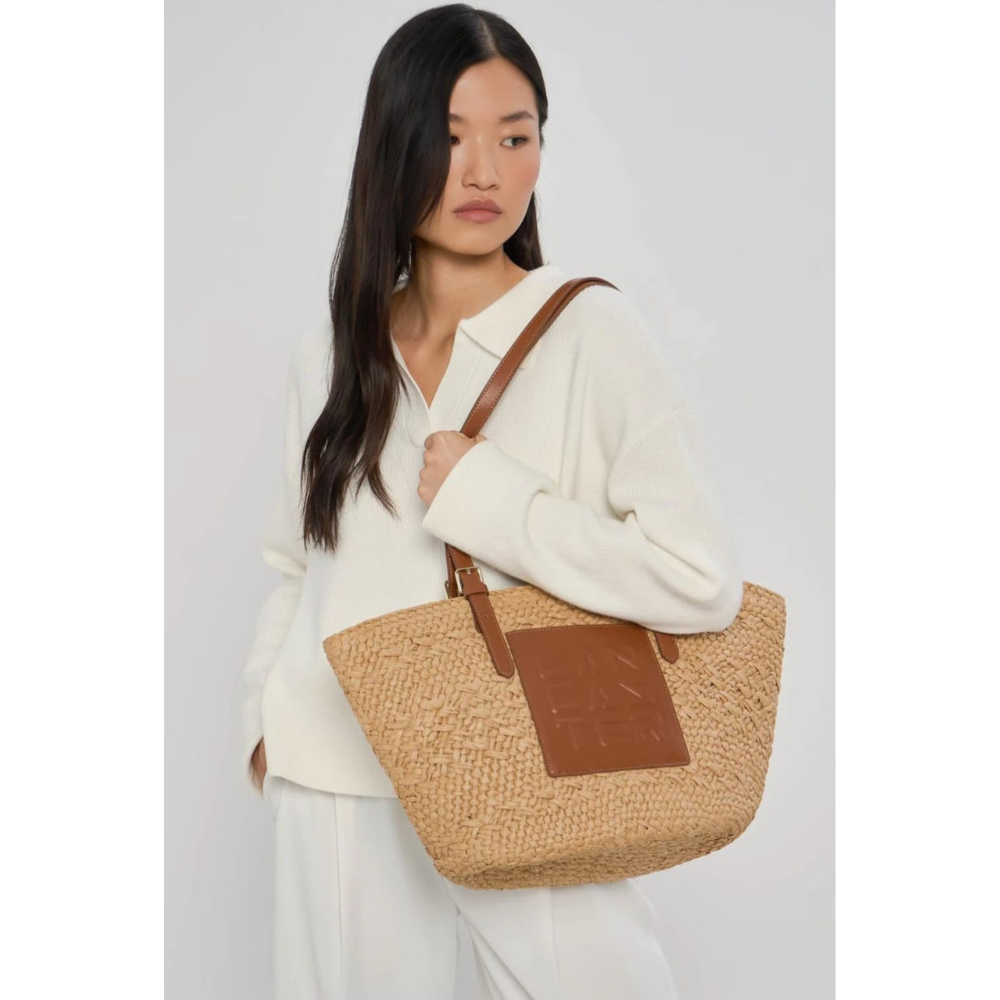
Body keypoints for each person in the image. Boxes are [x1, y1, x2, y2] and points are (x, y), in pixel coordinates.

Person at [241, 5, 743, 998]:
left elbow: (698, 579)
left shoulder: (591, 331)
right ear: (394, 147)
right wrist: (265, 721)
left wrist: (496, 503)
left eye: (515, 138)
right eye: (452, 137)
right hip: (337, 770)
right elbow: (294, 565)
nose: (484, 172)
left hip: (525, 765)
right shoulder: (332, 355)